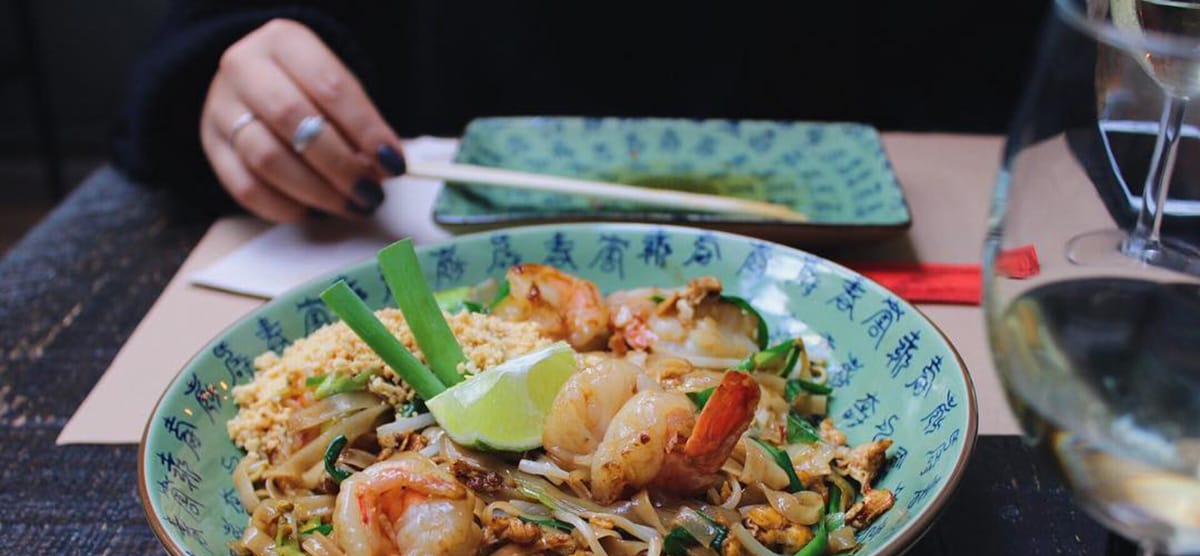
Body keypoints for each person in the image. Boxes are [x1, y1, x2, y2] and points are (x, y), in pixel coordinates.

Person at [113, 1, 1052, 223]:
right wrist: (241, 85)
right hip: (425, 233)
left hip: (859, 242)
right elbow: (201, 51)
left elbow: (1012, 75)